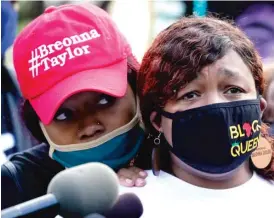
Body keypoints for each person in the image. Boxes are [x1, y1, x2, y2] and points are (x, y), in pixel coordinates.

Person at [119, 16, 274, 217]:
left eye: (233, 89)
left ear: (260, 107)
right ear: (158, 121)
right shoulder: (123, 204)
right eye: (190, 94)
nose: (215, 104)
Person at [1, 3, 147, 212]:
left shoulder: (180, 155)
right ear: (38, 125)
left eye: (105, 100)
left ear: (136, 86)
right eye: (63, 114)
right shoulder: (15, 188)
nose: (89, 127)